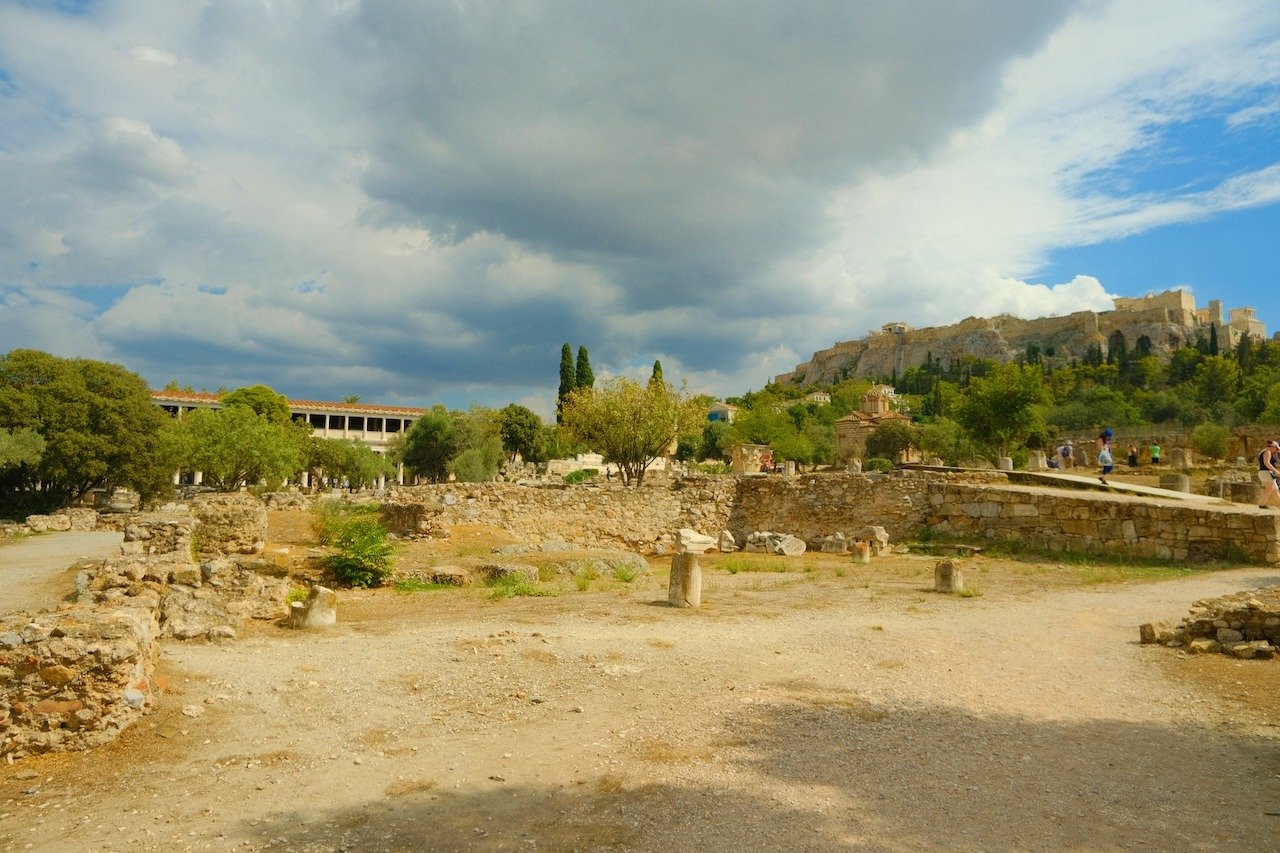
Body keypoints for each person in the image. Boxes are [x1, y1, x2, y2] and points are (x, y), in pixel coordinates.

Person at [1259, 440, 1280, 509]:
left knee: (1275, 490)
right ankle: (1262, 504)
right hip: (1266, 473)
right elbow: (1266, 463)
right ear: (1273, 447)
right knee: (1269, 489)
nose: (1276, 450)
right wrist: (1275, 471)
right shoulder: (1267, 452)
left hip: (1266, 473)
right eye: (1276, 448)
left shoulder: (1264, 451)